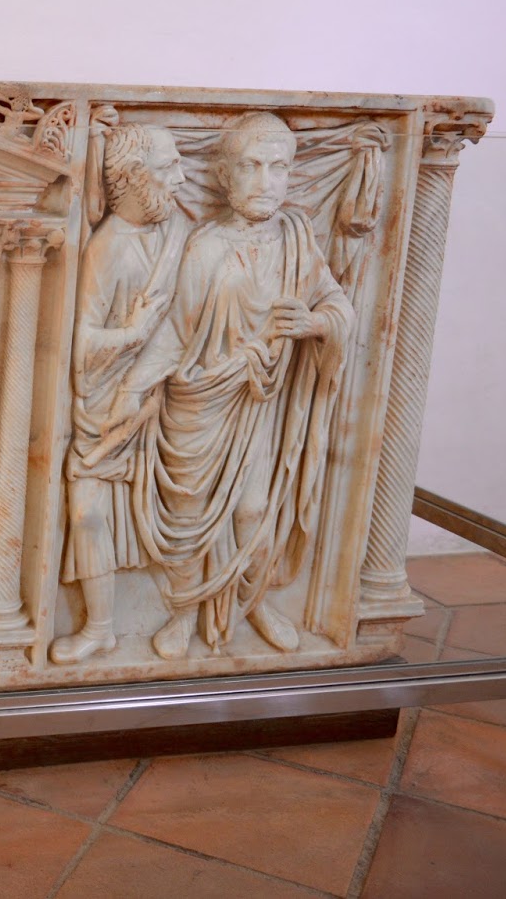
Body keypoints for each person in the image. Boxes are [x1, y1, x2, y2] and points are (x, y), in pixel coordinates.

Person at [108, 111, 353, 659]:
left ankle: (253, 604)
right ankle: (183, 612)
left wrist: (316, 323)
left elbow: (337, 304)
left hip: (258, 402)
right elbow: (175, 331)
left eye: (278, 168)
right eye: (250, 166)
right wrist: (132, 388)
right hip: (199, 402)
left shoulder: (297, 239)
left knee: (252, 510)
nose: (265, 181)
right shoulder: (206, 245)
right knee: (188, 512)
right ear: (224, 175)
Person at [50, 124, 190, 664]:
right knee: (88, 514)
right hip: (105, 408)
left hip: (167, 399)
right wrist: (133, 334)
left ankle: (187, 614)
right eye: (169, 167)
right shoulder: (107, 248)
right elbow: (82, 342)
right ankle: (100, 628)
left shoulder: (177, 231)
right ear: (134, 177)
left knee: (175, 507)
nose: (182, 178)